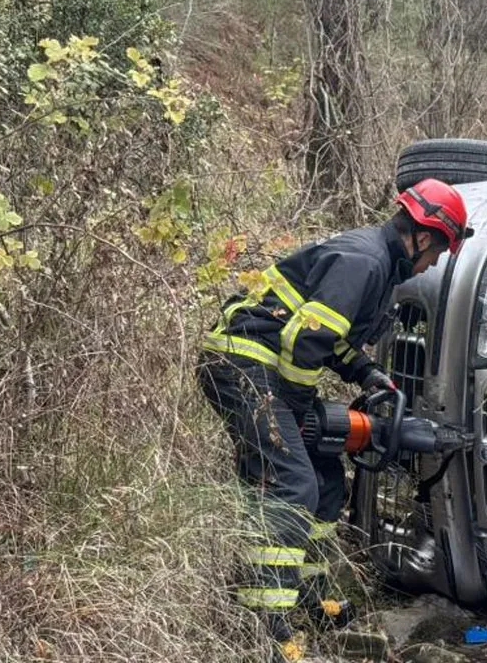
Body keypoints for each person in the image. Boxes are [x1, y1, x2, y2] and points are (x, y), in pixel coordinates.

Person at [197, 179, 471, 657]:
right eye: (439, 252)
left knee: (325, 480)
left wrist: (367, 373)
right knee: (292, 485)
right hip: (241, 361)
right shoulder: (365, 261)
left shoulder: (381, 266)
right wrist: (301, 407)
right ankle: (264, 623)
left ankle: (307, 595)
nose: (433, 263)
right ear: (424, 237)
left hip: (268, 365)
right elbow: (304, 341)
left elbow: (331, 335)